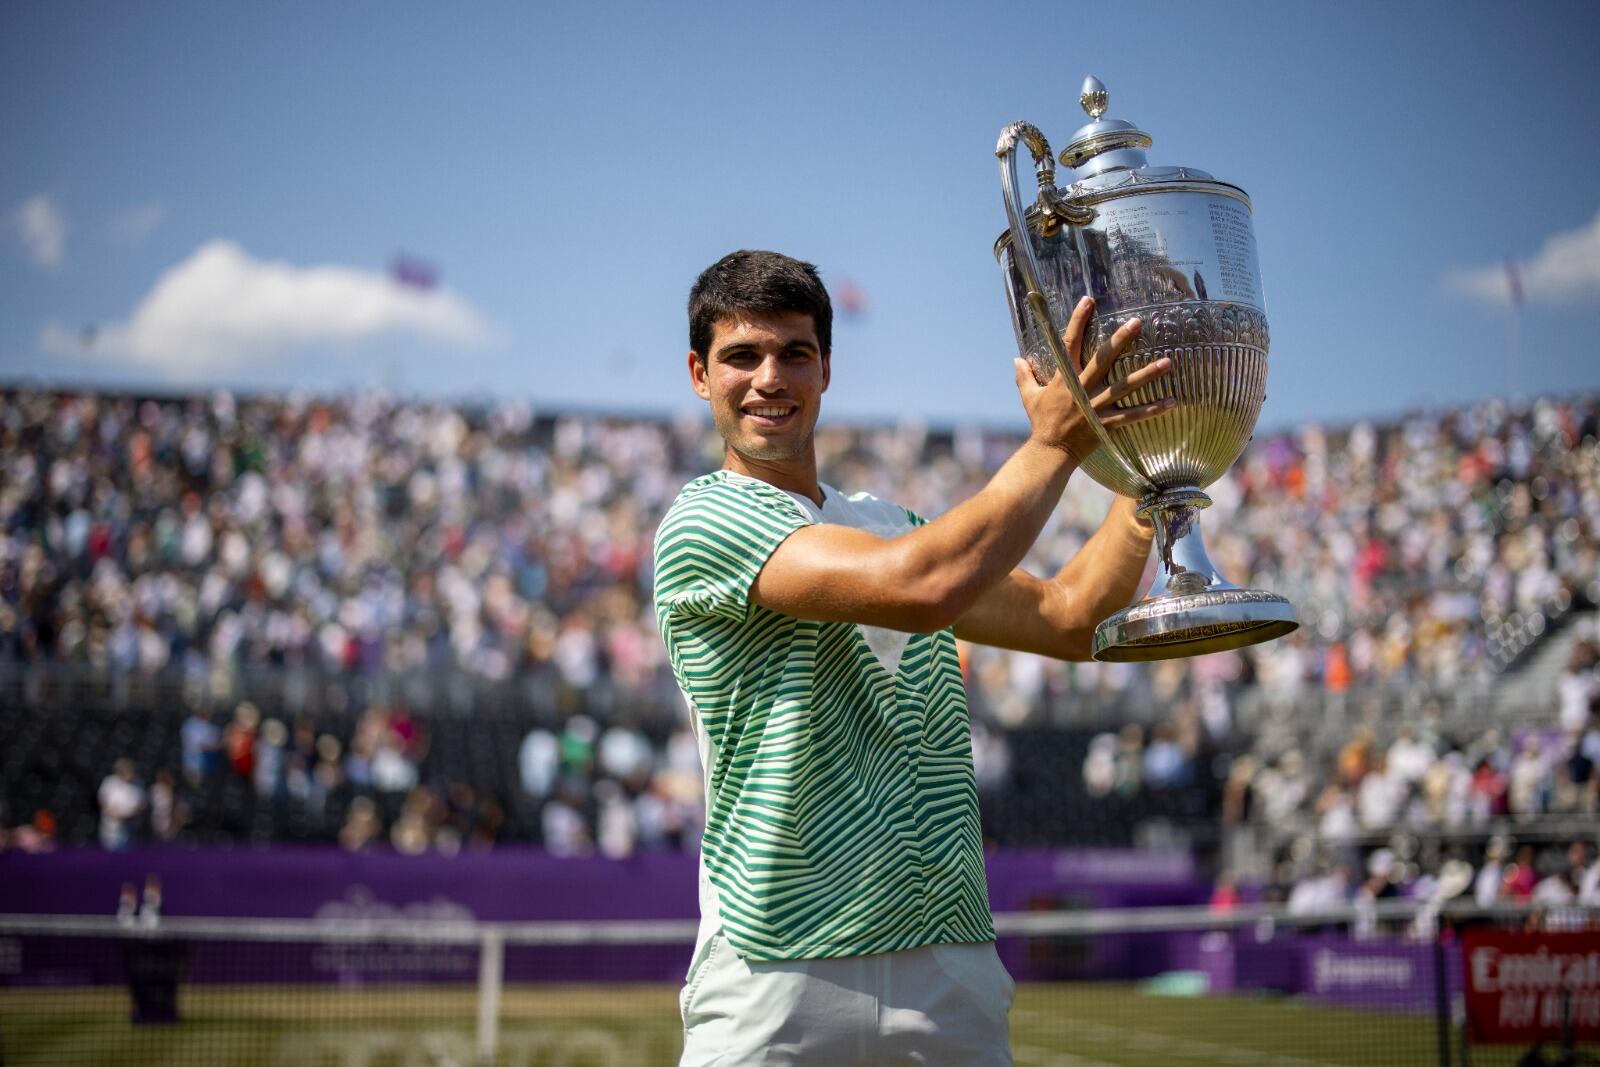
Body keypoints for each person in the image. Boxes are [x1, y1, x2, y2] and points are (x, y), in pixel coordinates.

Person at [654, 250, 1172, 1065]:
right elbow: (921, 585)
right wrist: (1057, 443)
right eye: (741, 356)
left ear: (827, 368)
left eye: (794, 352)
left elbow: (1072, 616)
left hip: (946, 954)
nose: (769, 378)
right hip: (776, 961)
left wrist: (1151, 477)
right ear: (699, 374)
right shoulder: (704, 520)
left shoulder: (891, 523)